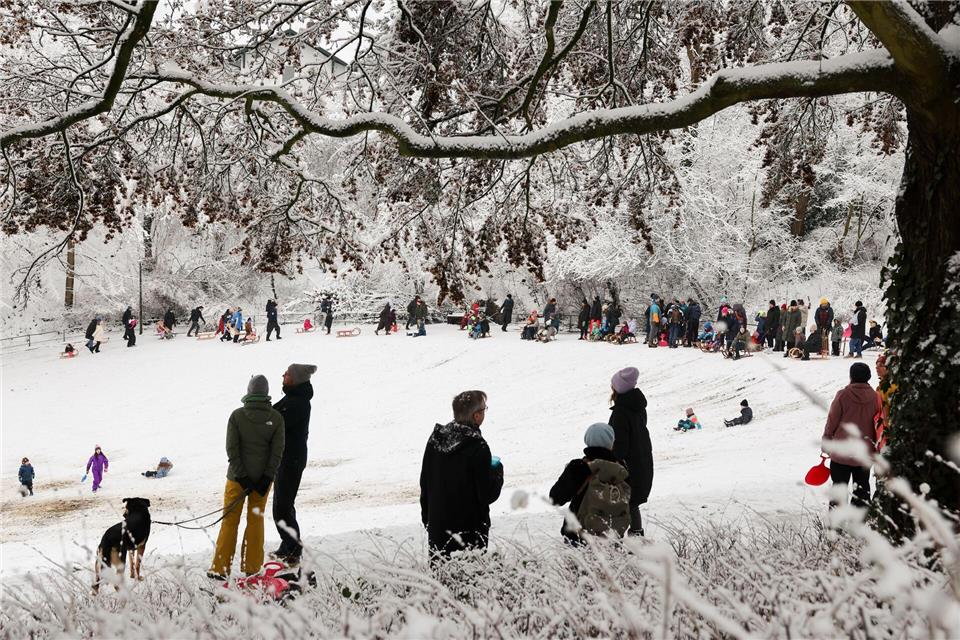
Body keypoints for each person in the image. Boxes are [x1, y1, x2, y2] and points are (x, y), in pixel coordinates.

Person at [208, 375, 285, 580]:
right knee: (255, 521)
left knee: (230, 521)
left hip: (236, 480)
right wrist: (266, 476)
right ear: (266, 393)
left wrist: (242, 477)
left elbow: (232, 449)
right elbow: (277, 452)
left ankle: (220, 568)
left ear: (249, 392)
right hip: (262, 482)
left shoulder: (237, 416)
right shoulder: (276, 418)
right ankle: (251, 567)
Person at [419, 390, 504, 560]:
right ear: (476, 416)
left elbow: (425, 483)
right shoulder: (478, 447)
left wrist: (428, 519)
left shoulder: (435, 440)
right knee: (468, 583)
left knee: (440, 583)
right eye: (484, 409)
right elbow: (486, 494)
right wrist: (497, 472)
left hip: (438, 531)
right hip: (468, 534)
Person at [549, 423, 630, 544]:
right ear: (611, 442)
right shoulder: (621, 468)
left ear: (587, 441)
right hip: (614, 538)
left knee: (581, 564)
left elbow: (555, 499)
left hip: (579, 538)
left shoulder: (579, 467)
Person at [272, 364, 317, 564]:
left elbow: (276, 421)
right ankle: (289, 545)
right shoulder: (293, 397)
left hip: (292, 459)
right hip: (287, 458)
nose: (283, 375)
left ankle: (293, 548)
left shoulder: (298, 402)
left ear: (295, 379)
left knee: (283, 505)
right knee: (282, 504)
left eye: (287, 374)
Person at [822, 363, 880, 508]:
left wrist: (827, 441)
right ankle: (859, 525)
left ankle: (836, 526)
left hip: (841, 452)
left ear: (851, 376)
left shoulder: (843, 395)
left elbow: (832, 421)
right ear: (869, 377)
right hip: (864, 453)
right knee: (862, 491)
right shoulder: (876, 397)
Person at [608, 367, 652, 536]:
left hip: (629, 465)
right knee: (631, 502)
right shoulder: (637, 406)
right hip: (641, 459)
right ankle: (636, 534)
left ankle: (617, 537)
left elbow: (620, 445)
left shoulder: (621, 412)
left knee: (626, 501)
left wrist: (610, 461)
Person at [875, 352, 896, 452]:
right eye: (876, 365)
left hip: (889, 432)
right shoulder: (881, 386)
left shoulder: (891, 387)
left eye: (881, 365)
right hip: (882, 430)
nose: (877, 368)